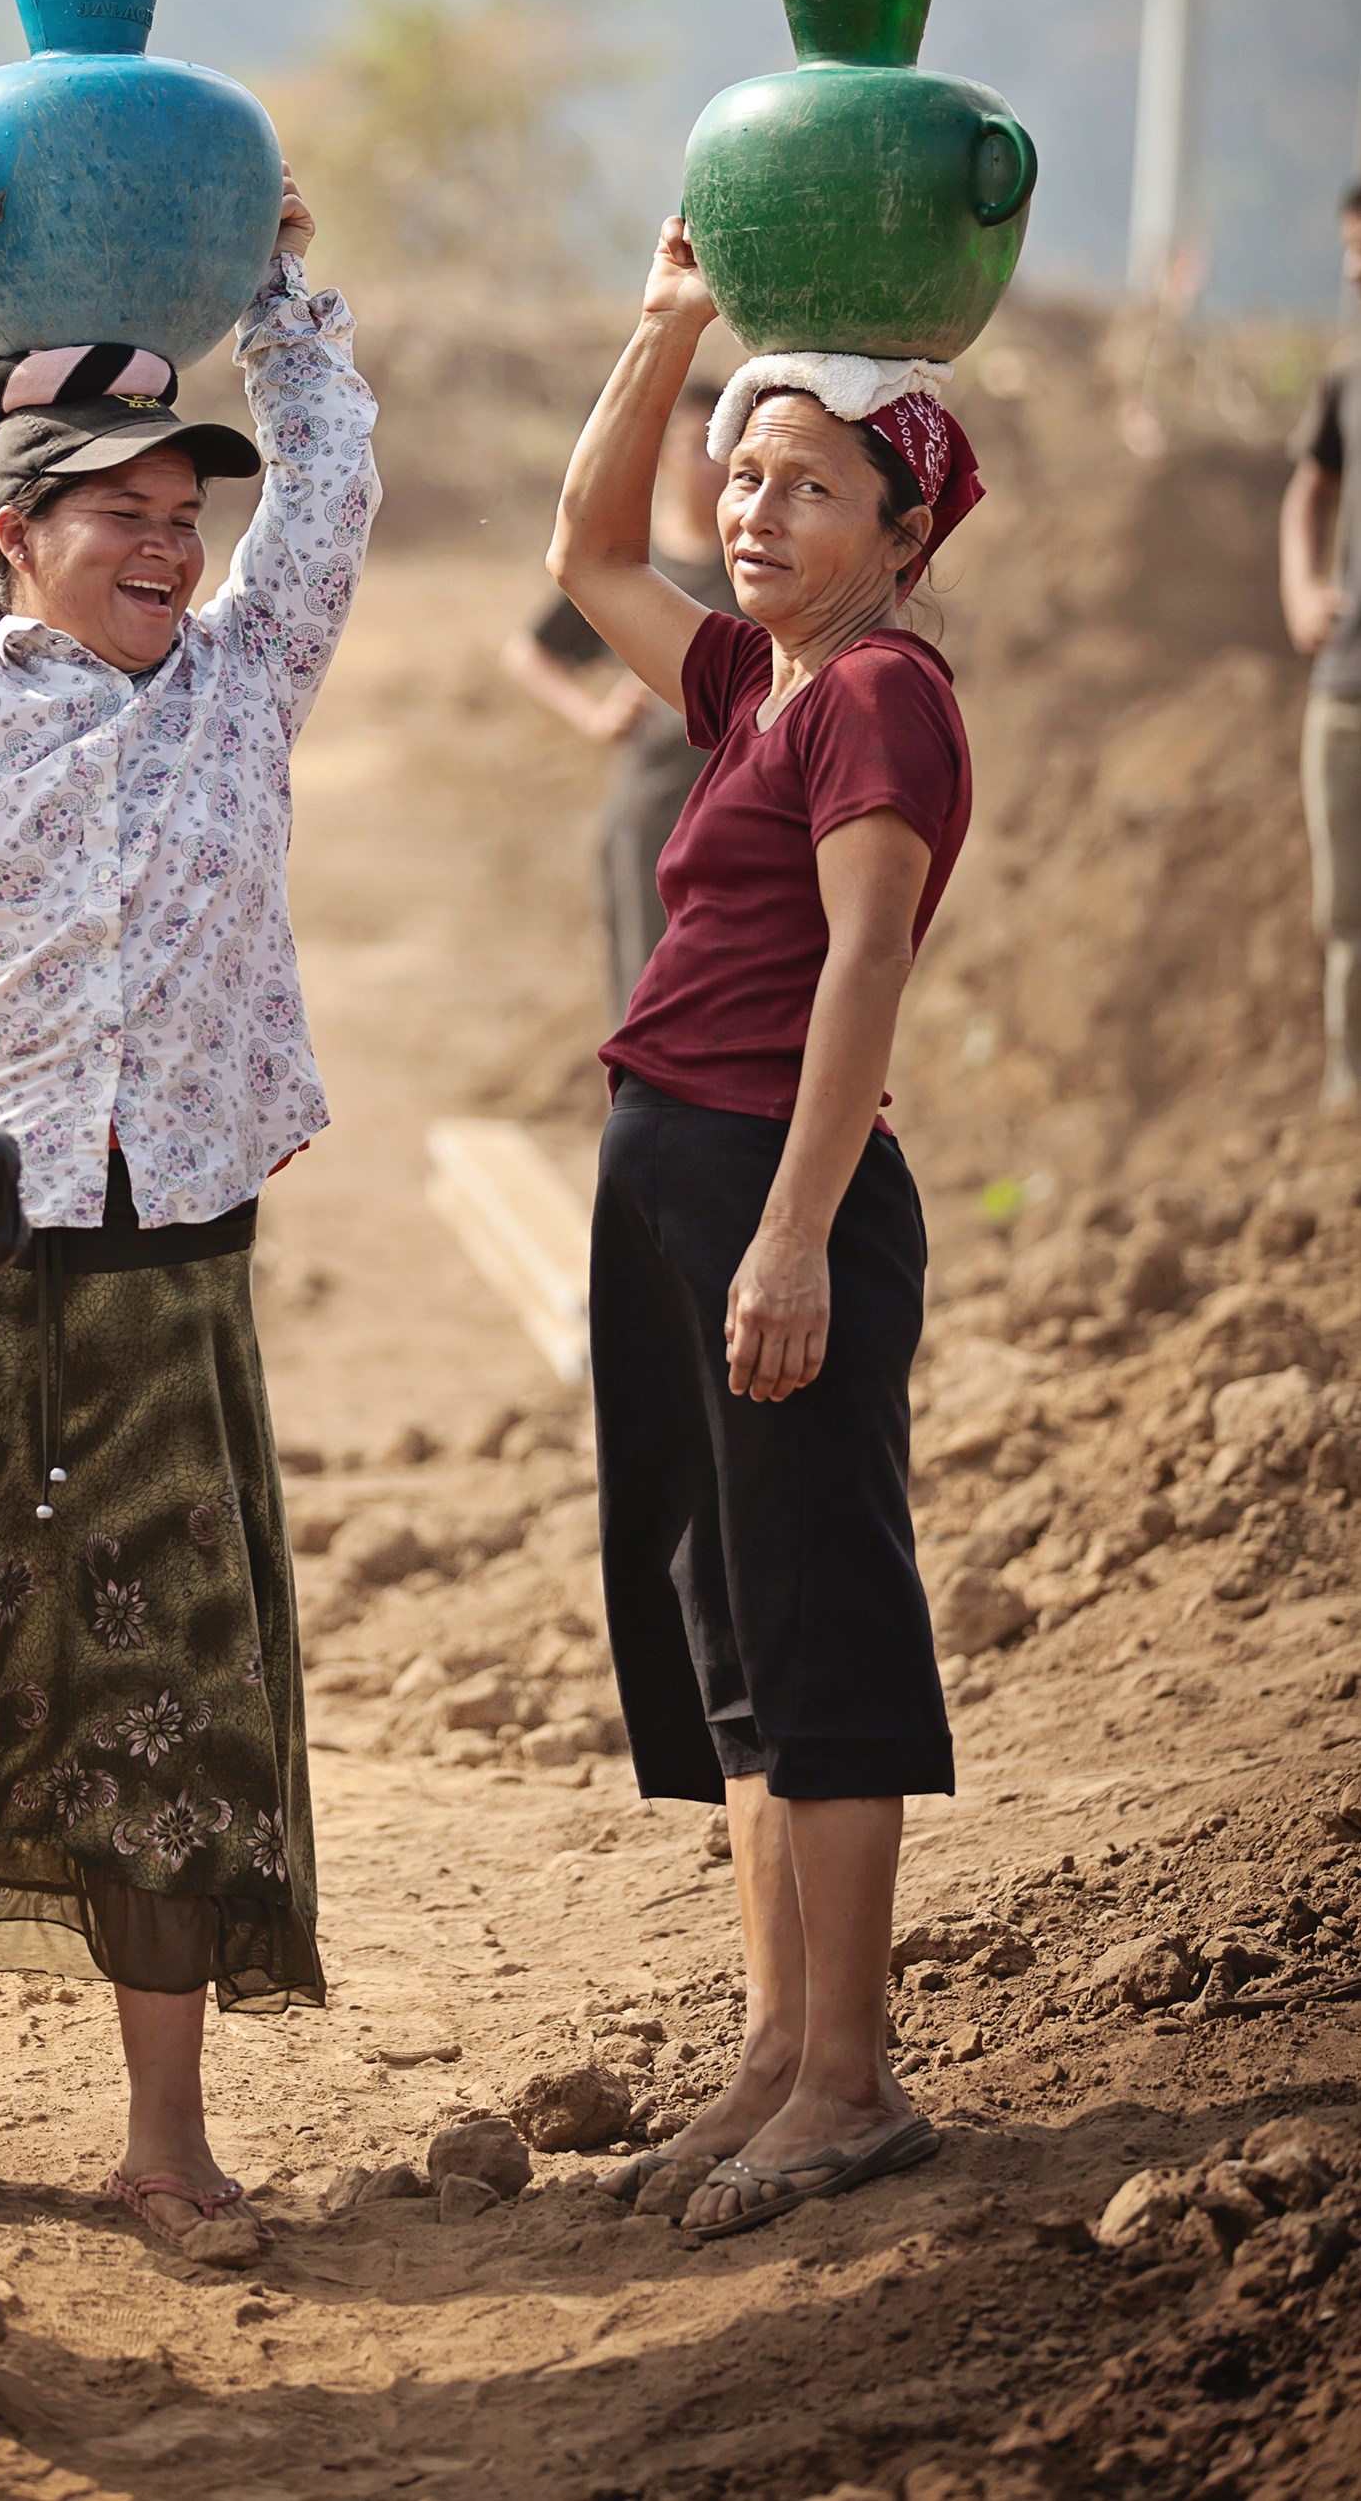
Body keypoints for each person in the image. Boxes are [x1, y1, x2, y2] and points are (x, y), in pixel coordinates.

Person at [0, 95, 379, 2264]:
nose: (164, 540)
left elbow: (329, 497)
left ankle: (163, 2139)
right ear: (12, 531)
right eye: (112, 509)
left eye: (174, 506)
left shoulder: (245, 686)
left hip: (171, 1268)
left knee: (175, 1684)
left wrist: (283, 293)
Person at [547, 216, 982, 2238]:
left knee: (811, 1620)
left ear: (899, 525)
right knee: (728, 1635)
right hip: (679, 1175)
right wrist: (662, 335)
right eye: (739, 472)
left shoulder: (875, 693)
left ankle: (850, 2073)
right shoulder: (756, 681)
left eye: (806, 483)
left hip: (765, 1182)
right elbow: (577, 559)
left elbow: (863, 963)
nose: (749, 505)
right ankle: (767, 2051)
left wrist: (791, 1231)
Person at [502, 359, 737, 1017]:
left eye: (731, 453)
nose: (715, 468)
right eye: (700, 448)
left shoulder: (760, 566)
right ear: (662, 457)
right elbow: (530, 652)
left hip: (748, 831)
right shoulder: (631, 568)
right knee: (650, 1010)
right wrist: (593, 717)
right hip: (653, 825)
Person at [1279, 180, 1361, 1110]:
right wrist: (1302, 588)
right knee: (1345, 909)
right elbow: (1308, 489)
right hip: (1346, 683)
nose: (1351, 265)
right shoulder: (1345, 377)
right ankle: (1348, 1092)